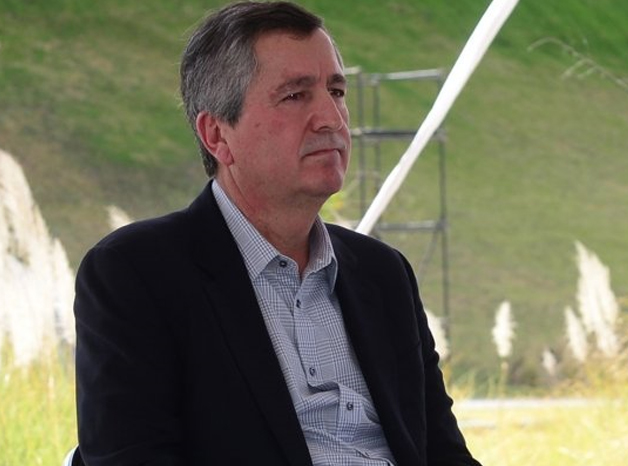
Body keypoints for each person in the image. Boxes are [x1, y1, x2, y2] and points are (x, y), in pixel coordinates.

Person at [74, 2, 482, 465]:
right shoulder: (136, 274)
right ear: (217, 135)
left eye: (336, 91)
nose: (332, 118)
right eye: (295, 96)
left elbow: (445, 455)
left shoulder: (383, 273)